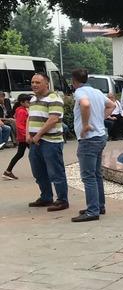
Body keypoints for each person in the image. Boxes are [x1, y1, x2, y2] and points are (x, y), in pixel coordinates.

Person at [70, 68, 113, 222]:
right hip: (100, 136)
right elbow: (112, 105)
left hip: (88, 139)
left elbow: (85, 105)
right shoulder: (96, 91)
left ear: (74, 81)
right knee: (96, 174)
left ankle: (92, 210)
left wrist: (86, 124)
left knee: (88, 176)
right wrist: (99, 120)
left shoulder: (80, 92)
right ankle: (99, 205)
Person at [26, 73, 69, 211]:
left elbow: (53, 119)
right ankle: (46, 197)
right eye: (33, 82)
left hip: (51, 141)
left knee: (55, 172)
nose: (34, 85)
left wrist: (38, 134)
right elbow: (30, 117)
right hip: (35, 142)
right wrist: (28, 134)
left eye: (38, 82)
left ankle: (62, 200)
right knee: (38, 171)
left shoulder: (54, 98)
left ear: (46, 84)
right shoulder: (32, 99)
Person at [3, 94, 30, 180]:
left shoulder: (20, 110)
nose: (29, 103)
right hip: (25, 137)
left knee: (20, 154)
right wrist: (27, 136)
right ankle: (43, 171)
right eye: (27, 102)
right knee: (37, 153)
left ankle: (8, 171)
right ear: (22, 102)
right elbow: (20, 126)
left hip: (23, 136)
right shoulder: (22, 111)